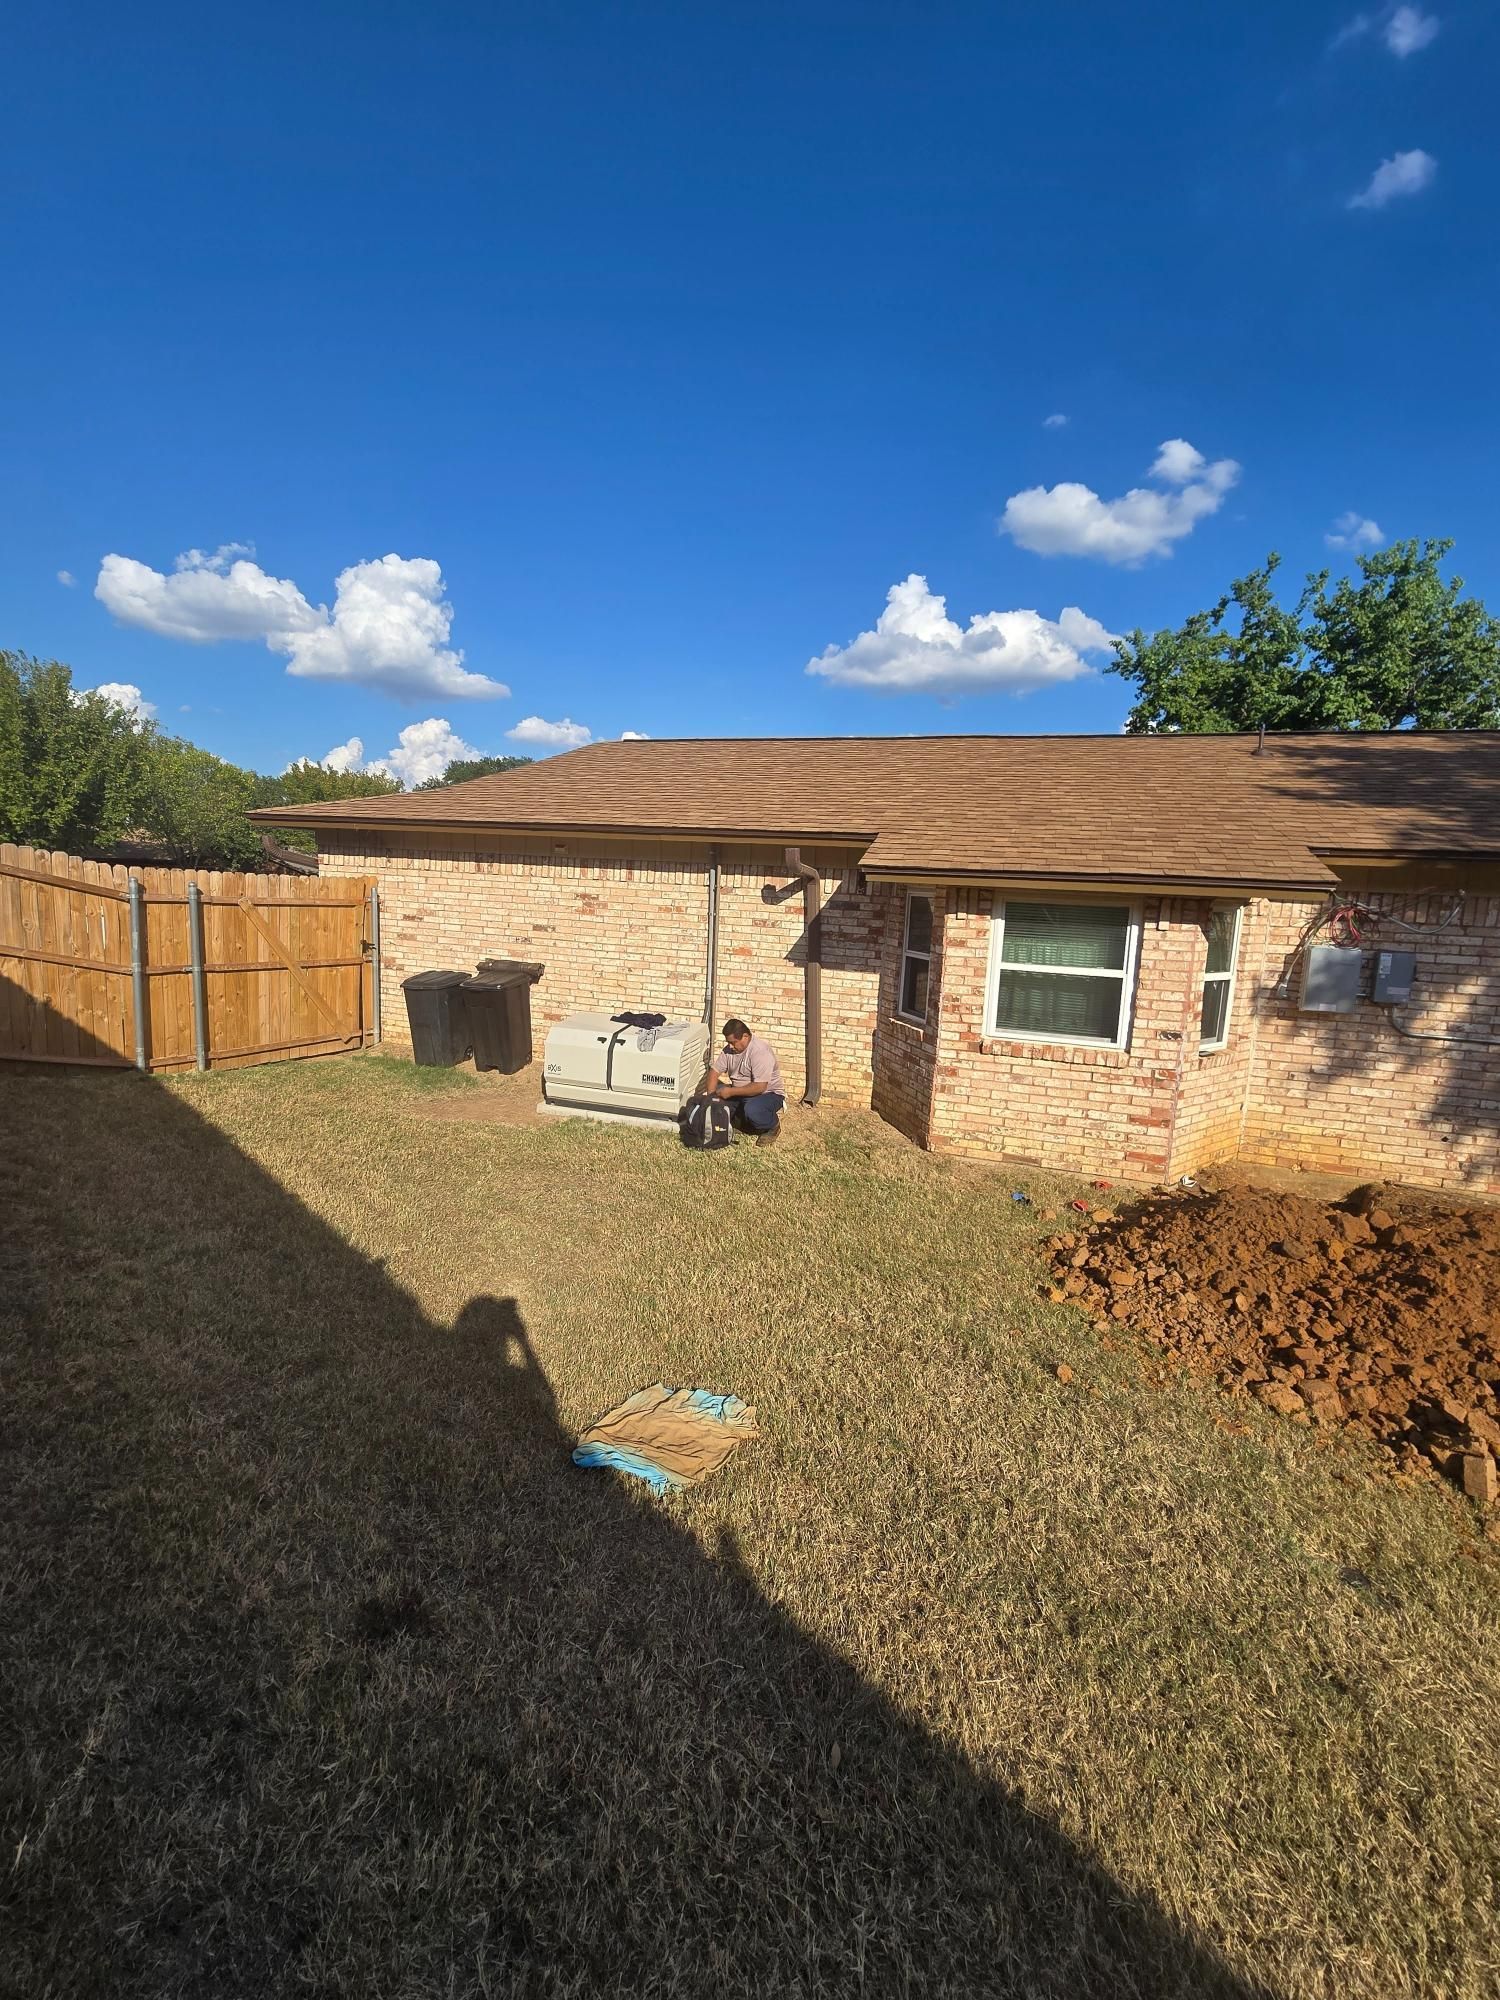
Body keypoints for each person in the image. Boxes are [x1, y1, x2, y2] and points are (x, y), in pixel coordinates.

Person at [705, 1017, 786, 1147]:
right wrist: (710, 1098)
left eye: (733, 1042)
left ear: (745, 1036)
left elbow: (760, 1087)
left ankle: (773, 1125)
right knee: (715, 1109)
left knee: (752, 1110)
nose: (730, 1046)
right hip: (740, 1093)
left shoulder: (760, 1051)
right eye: (728, 1042)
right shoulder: (728, 1050)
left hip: (767, 1094)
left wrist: (730, 1092)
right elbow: (714, 1072)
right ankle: (743, 1122)